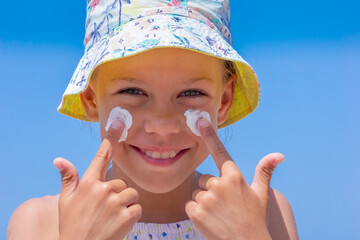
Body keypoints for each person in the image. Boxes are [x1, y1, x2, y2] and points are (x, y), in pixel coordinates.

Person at [7, 0, 299, 239]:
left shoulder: (262, 215)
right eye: (133, 91)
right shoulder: (41, 225)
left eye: (191, 92)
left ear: (222, 101)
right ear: (91, 99)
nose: (162, 125)